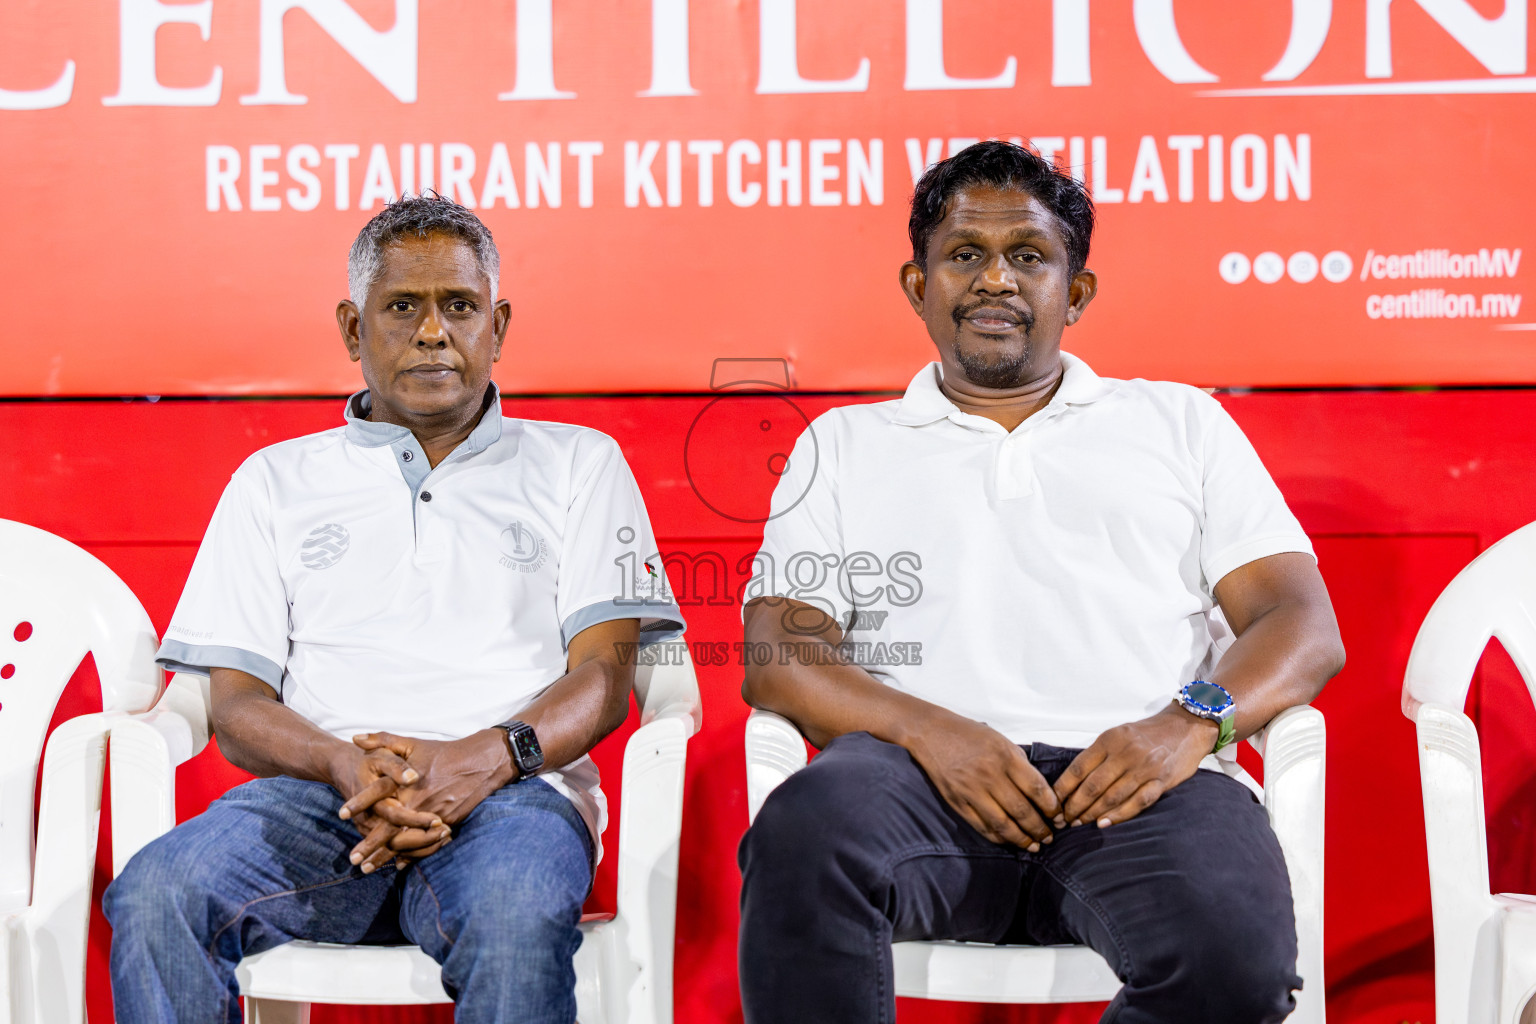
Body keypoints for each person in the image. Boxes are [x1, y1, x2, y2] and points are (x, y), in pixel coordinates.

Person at [737, 140, 1345, 1024]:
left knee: (1234, 958)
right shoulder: (843, 444)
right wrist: (936, 734)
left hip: (1143, 783)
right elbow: (779, 655)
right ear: (919, 286)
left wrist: (1187, 724)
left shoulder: (1181, 423)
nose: (995, 281)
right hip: (913, 784)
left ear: (1077, 290)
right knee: (802, 843)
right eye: (965, 256)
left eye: (1028, 256)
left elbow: (1300, 623)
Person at [104, 194, 683, 1024]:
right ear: (351, 328)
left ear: (500, 325)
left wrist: (480, 760)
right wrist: (348, 768)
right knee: (158, 892)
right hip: (320, 799)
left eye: (459, 306)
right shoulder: (274, 482)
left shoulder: (580, 464)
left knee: (516, 917)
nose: (433, 331)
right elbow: (235, 707)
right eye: (402, 306)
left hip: (514, 794)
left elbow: (604, 672)